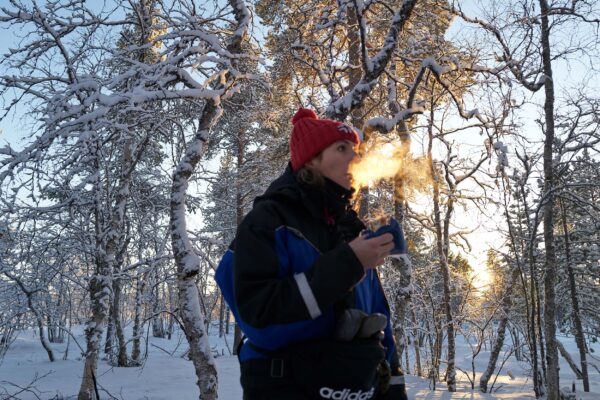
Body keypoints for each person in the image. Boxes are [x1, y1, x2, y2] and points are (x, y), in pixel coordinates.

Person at [215, 108, 408, 399]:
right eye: (342, 148)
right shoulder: (269, 221)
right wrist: (348, 265)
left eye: (355, 149)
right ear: (312, 159)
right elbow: (258, 314)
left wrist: (390, 385)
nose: (355, 158)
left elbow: (381, 325)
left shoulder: (351, 232)